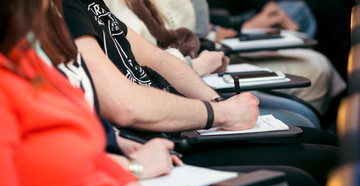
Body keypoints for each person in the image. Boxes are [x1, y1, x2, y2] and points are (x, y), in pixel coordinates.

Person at [0, 1, 329, 186]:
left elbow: (95, 137)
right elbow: (122, 108)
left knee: (310, 152)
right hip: (139, 168)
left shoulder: (31, 57)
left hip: (132, 184)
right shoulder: (44, 37)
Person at [107, 0, 346, 116]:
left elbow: (193, 26)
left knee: (313, 70)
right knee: (310, 85)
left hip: (200, 56)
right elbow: (142, 61)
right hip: (184, 70)